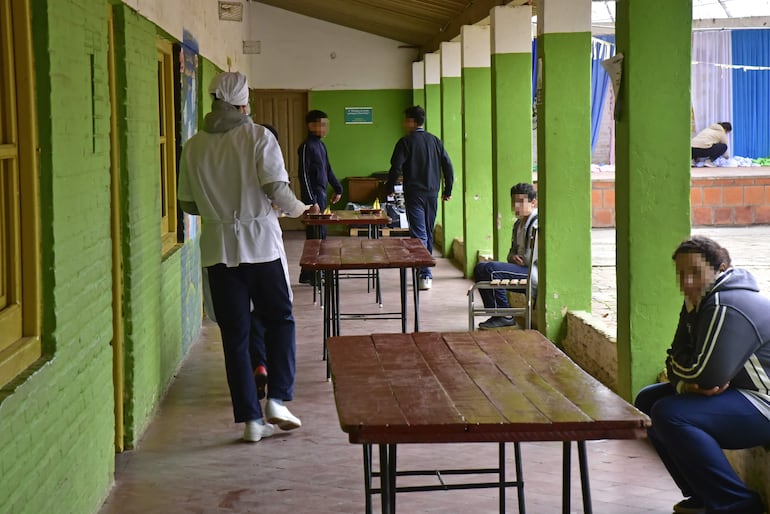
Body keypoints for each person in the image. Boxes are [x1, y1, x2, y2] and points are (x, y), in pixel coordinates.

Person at [178, 71, 320, 443]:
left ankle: (250, 422)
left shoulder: (193, 147)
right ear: (242, 104)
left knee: (235, 336)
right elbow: (277, 188)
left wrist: (218, 208)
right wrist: (302, 210)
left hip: (218, 251)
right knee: (280, 320)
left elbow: (187, 202)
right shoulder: (259, 136)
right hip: (260, 246)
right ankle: (276, 399)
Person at [634, 236, 770, 514]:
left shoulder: (725, 303)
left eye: (695, 272)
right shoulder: (700, 301)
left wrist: (684, 376)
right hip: (738, 394)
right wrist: (684, 381)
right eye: (681, 274)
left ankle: (736, 504)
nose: (686, 283)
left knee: (670, 413)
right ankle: (701, 495)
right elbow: (674, 357)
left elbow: (707, 377)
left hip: (762, 404)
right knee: (647, 401)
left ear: (720, 269)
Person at [385, 105, 454, 291]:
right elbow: (448, 166)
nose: (403, 124)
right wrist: (448, 189)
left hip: (414, 193)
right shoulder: (435, 141)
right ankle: (425, 272)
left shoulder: (405, 142)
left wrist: (390, 187)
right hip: (432, 192)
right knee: (427, 232)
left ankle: (424, 273)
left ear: (411, 121)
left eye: (405, 120)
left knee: (418, 233)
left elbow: (396, 167)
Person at [472, 183, 538, 330]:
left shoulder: (535, 223)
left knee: (490, 269)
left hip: (530, 273)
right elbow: (510, 253)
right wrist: (513, 257)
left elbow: (529, 258)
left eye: (521, 201)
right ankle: (497, 314)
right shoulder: (517, 225)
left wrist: (519, 258)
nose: (516, 206)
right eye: (514, 201)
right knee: (479, 268)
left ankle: (505, 316)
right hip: (519, 268)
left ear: (533, 203)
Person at [297, 110, 343, 285]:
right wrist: (311, 202)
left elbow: (328, 169)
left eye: (326, 124)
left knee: (320, 236)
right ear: (310, 126)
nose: (325, 128)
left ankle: (309, 274)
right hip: (314, 198)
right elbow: (304, 176)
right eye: (321, 124)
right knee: (315, 237)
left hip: (322, 195)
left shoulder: (321, 145)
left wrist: (338, 188)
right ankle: (313, 274)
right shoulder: (307, 146)